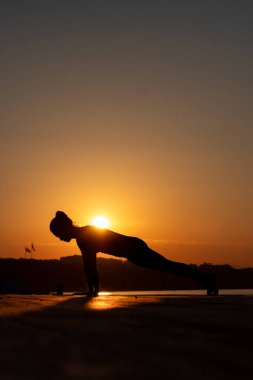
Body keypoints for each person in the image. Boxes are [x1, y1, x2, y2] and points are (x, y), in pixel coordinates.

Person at [50, 211, 218, 297]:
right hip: (132, 251)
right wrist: (93, 290)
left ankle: (207, 279)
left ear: (63, 228)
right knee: (168, 266)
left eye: (58, 235)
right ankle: (206, 279)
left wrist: (93, 291)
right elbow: (89, 266)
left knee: (168, 266)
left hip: (134, 248)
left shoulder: (84, 237)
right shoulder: (83, 236)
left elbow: (90, 266)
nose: (60, 239)